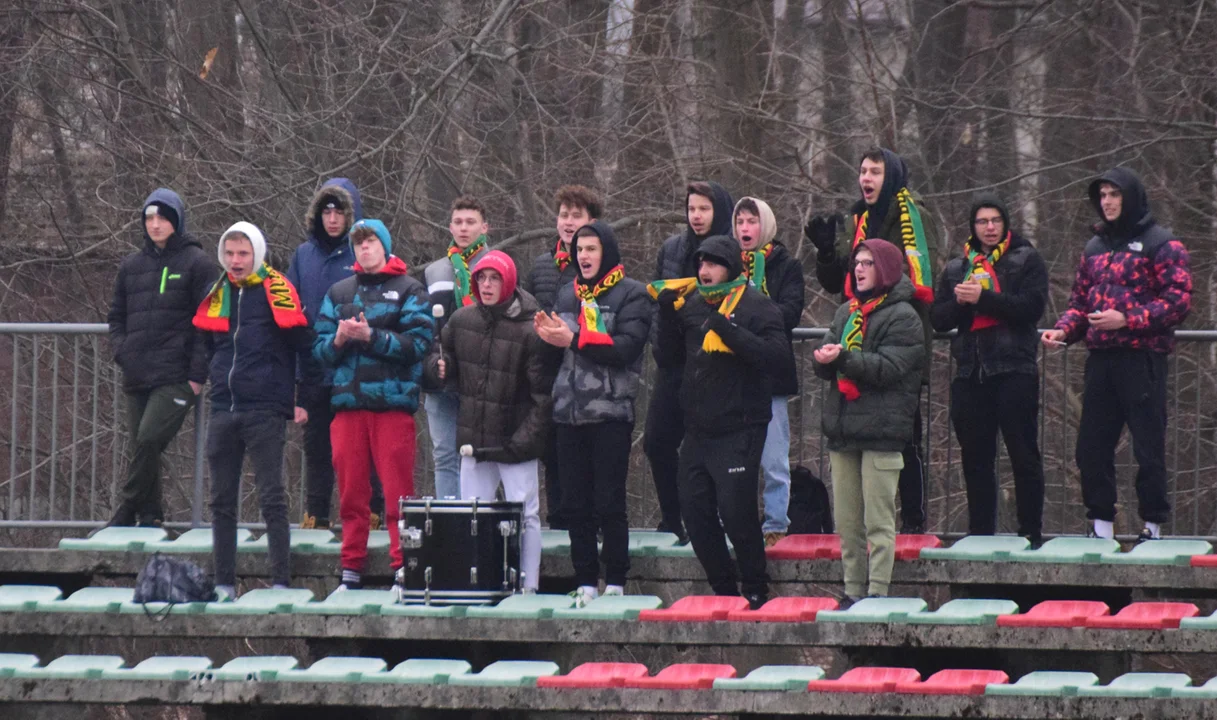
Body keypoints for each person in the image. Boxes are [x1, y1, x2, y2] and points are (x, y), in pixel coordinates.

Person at [1042, 167, 1191, 541]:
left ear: (1131, 197)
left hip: (1143, 360)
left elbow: (1178, 301)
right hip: (1101, 361)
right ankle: (1101, 526)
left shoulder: (1163, 243)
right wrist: (1063, 329)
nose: (1107, 202)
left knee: (1148, 449)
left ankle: (1152, 526)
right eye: (1102, 196)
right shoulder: (1094, 248)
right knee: (1090, 448)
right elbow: (1080, 302)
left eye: (1114, 195)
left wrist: (1128, 319)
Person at [652, 235, 790, 610]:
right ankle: (725, 588)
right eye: (700, 264)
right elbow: (667, 358)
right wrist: (666, 316)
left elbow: (779, 360)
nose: (704, 271)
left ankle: (756, 586)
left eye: (712, 264)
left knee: (735, 510)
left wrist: (728, 330)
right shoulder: (692, 304)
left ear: (730, 268)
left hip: (741, 425)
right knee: (694, 513)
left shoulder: (759, 306)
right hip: (698, 428)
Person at [806, 147, 938, 534]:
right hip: (856, 333)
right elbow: (839, 284)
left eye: (875, 172)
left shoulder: (915, 215)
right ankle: (863, 527)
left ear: (891, 176)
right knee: (861, 431)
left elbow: (922, 273)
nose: (866, 178)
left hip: (899, 331)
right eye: (862, 171)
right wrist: (828, 252)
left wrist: (881, 295)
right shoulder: (857, 218)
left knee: (903, 433)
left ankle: (913, 521)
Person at [535, 222, 652, 608]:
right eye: (579, 249)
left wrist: (572, 339)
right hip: (568, 412)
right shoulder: (568, 293)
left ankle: (615, 579)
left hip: (610, 412)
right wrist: (547, 336)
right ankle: (585, 579)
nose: (583, 255)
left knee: (609, 500)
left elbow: (626, 349)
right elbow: (559, 352)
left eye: (591, 249)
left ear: (608, 252)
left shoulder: (632, 293)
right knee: (574, 503)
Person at [313, 219, 434, 591]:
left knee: (399, 494)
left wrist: (372, 337)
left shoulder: (410, 288)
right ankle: (351, 566)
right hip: (348, 407)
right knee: (351, 493)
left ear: (384, 245)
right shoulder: (338, 291)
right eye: (358, 243)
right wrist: (337, 339)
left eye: (370, 242)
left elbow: (418, 345)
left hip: (392, 407)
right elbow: (318, 352)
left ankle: (404, 565)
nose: (364, 248)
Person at [195, 222, 314, 599]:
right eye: (229, 254)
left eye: (243, 254)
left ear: (257, 254)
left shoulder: (277, 288)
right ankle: (223, 583)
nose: (236, 261)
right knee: (221, 500)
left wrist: (297, 396)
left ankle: (280, 579)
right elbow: (207, 343)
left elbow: (301, 342)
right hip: (223, 406)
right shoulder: (217, 292)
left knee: (271, 496)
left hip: (263, 407)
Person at [425, 251, 553, 593]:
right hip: (474, 442)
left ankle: (529, 588)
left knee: (525, 517)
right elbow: (438, 361)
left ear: (508, 282)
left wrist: (522, 443)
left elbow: (544, 398)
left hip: (515, 444)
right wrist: (436, 369)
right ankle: (478, 583)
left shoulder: (532, 328)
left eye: (494, 278)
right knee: (473, 517)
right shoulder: (462, 319)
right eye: (481, 278)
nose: (486, 285)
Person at [931, 193, 1048, 545]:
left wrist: (984, 298)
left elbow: (1031, 308)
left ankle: (1030, 532)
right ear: (973, 227)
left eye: (995, 220)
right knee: (975, 457)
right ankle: (980, 532)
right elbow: (938, 319)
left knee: (1022, 453)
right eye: (982, 221)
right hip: (970, 371)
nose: (990, 227)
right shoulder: (956, 267)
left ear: (1006, 223)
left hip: (1014, 369)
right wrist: (961, 301)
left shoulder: (1025, 258)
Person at [813, 239, 925, 605]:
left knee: (878, 521)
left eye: (867, 263)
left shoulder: (905, 316)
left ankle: (877, 591)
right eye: (856, 263)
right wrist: (825, 358)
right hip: (844, 431)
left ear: (887, 269)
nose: (858, 269)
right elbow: (826, 361)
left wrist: (843, 358)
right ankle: (852, 590)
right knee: (847, 524)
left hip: (881, 433)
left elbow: (888, 368)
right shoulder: (846, 311)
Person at [105, 189, 217, 529]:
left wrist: (198, 375)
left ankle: (126, 509)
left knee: (150, 438)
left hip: (176, 374)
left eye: (163, 217)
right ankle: (151, 515)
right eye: (150, 218)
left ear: (177, 221)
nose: (155, 224)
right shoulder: (131, 266)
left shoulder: (199, 264)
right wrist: (121, 350)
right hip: (137, 372)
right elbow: (116, 316)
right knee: (142, 444)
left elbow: (207, 323)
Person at [287, 177, 384, 531]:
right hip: (314, 365)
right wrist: (297, 372)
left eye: (339, 211)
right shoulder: (303, 255)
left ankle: (373, 512)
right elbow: (290, 311)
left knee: (362, 445)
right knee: (316, 446)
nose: (332, 219)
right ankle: (316, 514)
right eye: (326, 211)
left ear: (351, 215)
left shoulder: (363, 251)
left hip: (355, 364)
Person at [645, 181, 734, 542]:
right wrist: (660, 339)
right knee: (656, 441)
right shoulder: (672, 248)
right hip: (673, 359)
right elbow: (655, 296)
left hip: (714, 361)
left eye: (704, 209)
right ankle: (672, 517)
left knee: (709, 448)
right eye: (692, 209)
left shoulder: (731, 249)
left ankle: (712, 517)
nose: (696, 216)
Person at [524, 185, 603, 529]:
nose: (568, 222)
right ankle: (557, 522)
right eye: (564, 215)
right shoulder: (541, 264)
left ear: (592, 222)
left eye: (577, 216)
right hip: (546, 374)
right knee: (552, 455)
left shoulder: (596, 264)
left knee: (587, 459)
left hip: (584, 372)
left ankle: (592, 524)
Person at [733, 196, 805, 546]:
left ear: (767, 225)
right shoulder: (728, 263)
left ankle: (776, 523)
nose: (745, 229)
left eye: (752, 221)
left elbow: (788, 314)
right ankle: (737, 522)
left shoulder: (786, 266)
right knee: (734, 457)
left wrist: (750, 312)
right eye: (740, 222)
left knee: (773, 458)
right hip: (732, 374)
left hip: (771, 373)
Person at [423, 195, 491, 500]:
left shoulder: (495, 267)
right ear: (450, 226)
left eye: (471, 222)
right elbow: (425, 327)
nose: (464, 228)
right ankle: (448, 524)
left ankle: (476, 520)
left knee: (477, 455)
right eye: (458, 222)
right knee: (444, 455)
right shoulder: (434, 271)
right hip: (441, 377)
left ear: (485, 227)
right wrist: (431, 364)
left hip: (481, 379)